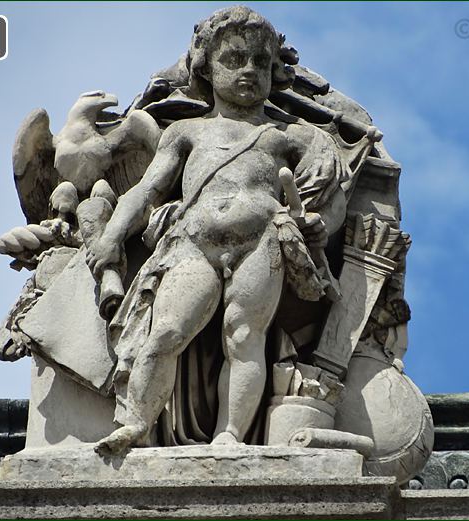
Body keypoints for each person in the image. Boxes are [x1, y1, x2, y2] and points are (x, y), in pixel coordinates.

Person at [87, 6, 352, 454]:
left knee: (245, 338)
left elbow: (333, 197)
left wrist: (318, 226)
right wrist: (112, 235)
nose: (248, 71)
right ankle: (136, 423)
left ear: (274, 70)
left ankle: (228, 436)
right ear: (206, 67)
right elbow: (147, 190)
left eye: (260, 63)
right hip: (193, 242)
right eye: (234, 60)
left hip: (262, 241)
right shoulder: (186, 133)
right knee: (166, 332)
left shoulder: (289, 136)